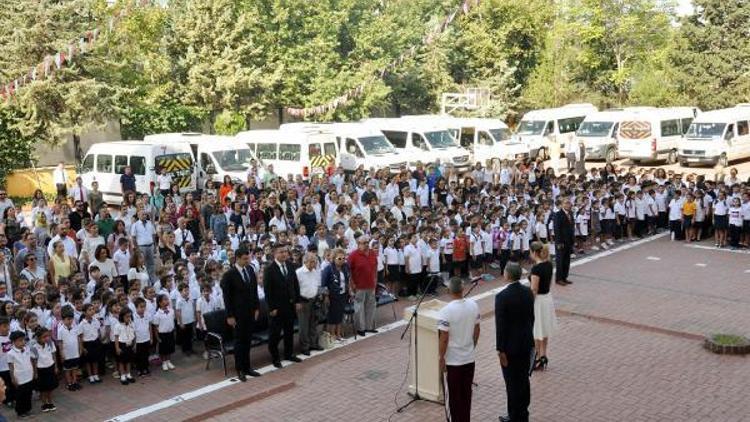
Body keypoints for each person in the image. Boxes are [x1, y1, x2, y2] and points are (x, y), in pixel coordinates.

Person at [495, 262, 534, 422]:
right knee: (524, 380)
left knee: (511, 383)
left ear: (507, 275)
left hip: (510, 348)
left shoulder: (502, 297)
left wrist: (500, 349)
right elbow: (531, 318)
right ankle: (523, 413)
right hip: (525, 343)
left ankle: (514, 415)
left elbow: (501, 326)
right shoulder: (528, 292)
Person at [437, 277, 480, 422]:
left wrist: (441, 357)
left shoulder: (445, 311)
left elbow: (444, 337)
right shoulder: (473, 305)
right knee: (466, 395)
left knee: (454, 399)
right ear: (463, 289)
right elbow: (477, 329)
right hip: (469, 358)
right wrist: (472, 345)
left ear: (449, 290)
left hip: (453, 361)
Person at [220, 247, 261, 380]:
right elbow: (227, 298)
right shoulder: (229, 275)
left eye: (248, 258)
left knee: (248, 340)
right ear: (237, 258)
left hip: (250, 312)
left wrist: (256, 308)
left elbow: (254, 291)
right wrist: (229, 316)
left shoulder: (249, 270)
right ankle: (240, 369)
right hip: (237, 314)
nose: (247, 261)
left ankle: (248, 367)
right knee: (239, 342)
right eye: (245, 259)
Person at [263, 244, 301, 368]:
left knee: (289, 332)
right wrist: (272, 308)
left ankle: (289, 354)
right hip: (277, 308)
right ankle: (275, 358)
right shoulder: (269, 269)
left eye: (285, 251)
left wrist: (297, 301)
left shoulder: (290, 265)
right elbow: (268, 291)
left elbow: (295, 285)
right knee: (275, 335)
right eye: (280, 252)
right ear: (274, 254)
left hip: (289, 306)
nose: (284, 254)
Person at [529, 242, 557, 371]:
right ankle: (544, 355)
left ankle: (536, 358)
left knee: (536, 330)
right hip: (547, 298)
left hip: (538, 300)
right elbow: (549, 283)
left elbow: (534, 289)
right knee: (544, 328)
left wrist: (529, 303)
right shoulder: (549, 265)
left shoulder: (536, 269)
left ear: (535, 253)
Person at [348, 236, 378, 337]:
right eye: (364, 242)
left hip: (371, 285)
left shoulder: (372, 253)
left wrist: (375, 280)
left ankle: (369, 326)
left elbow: (375, 267)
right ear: (358, 243)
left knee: (370, 306)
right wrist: (352, 284)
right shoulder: (353, 255)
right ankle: (360, 328)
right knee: (359, 307)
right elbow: (349, 271)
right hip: (359, 286)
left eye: (367, 242)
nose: (366, 244)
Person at [295, 252, 323, 356]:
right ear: (305, 261)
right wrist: (297, 301)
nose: (314, 264)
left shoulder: (315, 271)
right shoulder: (299, 273)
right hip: (303, 301)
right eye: (311, 262)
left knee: (313, 323)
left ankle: (314, 343)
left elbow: (317, 284)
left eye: (315, 262)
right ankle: (304, 346)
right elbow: (295, 289)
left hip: (314, 300)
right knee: (304, 325)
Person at [321, 248, 351, 342]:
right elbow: (323, 284)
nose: (342, 260)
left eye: (343, 258)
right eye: (339, 259)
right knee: (332, 317)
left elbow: (347, 279)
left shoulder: (345, 267)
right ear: (334, 258)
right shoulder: (328, 269)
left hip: (343, 294)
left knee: (340, 315)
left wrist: (349, 289)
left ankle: (338, 334)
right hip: (332, 296)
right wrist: (326, 296)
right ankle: (332, 335)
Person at [31, 327, 58, 413]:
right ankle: (44, 404)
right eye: (44, 337)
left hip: (50, 368)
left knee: (50, 388)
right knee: (43, 389)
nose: (47, 338)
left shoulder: (50, 343)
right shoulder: (34, 348)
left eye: (48, 336)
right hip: (41, 370)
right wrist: (35, 373)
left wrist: (56, 367)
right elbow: (34, 361)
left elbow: (54, 355)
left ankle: (50, 402)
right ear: (38, 338)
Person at [7, 331, 34, 418]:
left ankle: (27, 409)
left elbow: (30, 360)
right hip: (20, 378)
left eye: (23, 340)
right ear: (13, 342)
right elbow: (11, 367)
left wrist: (33, 371)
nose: (23, 342)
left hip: (29, 376)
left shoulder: (27, 349)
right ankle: (20, 411)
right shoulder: (10, 353)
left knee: (28, 394)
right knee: (20, 396)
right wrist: (13, 378)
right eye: (20, 341)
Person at [552, 199, 575, 285]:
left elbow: (572, 227)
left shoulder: (571, 214)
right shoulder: (558, 214)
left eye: (569, 203)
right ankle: (559, 279)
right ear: (562, 205)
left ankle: (565, 277)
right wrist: (558, 242)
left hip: (569, 241)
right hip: (561, 241)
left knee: (567, 260)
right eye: (566, 203)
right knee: (560, 261)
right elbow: (557, 229)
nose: (568, 205)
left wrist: (573, 240)